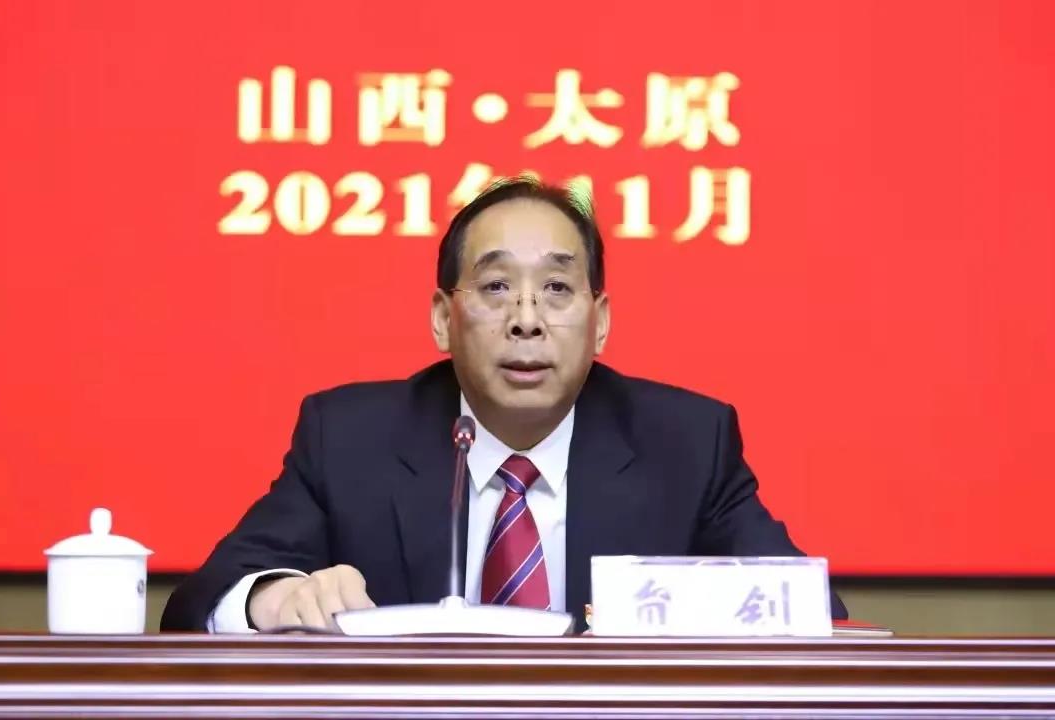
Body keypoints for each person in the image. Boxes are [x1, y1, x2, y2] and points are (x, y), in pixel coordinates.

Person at [161, 177, 847, 632]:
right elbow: (200, 601)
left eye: (557, 289)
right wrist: (274, 597)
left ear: (600, 322)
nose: (526, 320)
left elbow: (813, 612)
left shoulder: (687, 443)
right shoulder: (349, 439)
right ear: (443, 318)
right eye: (495, 288)